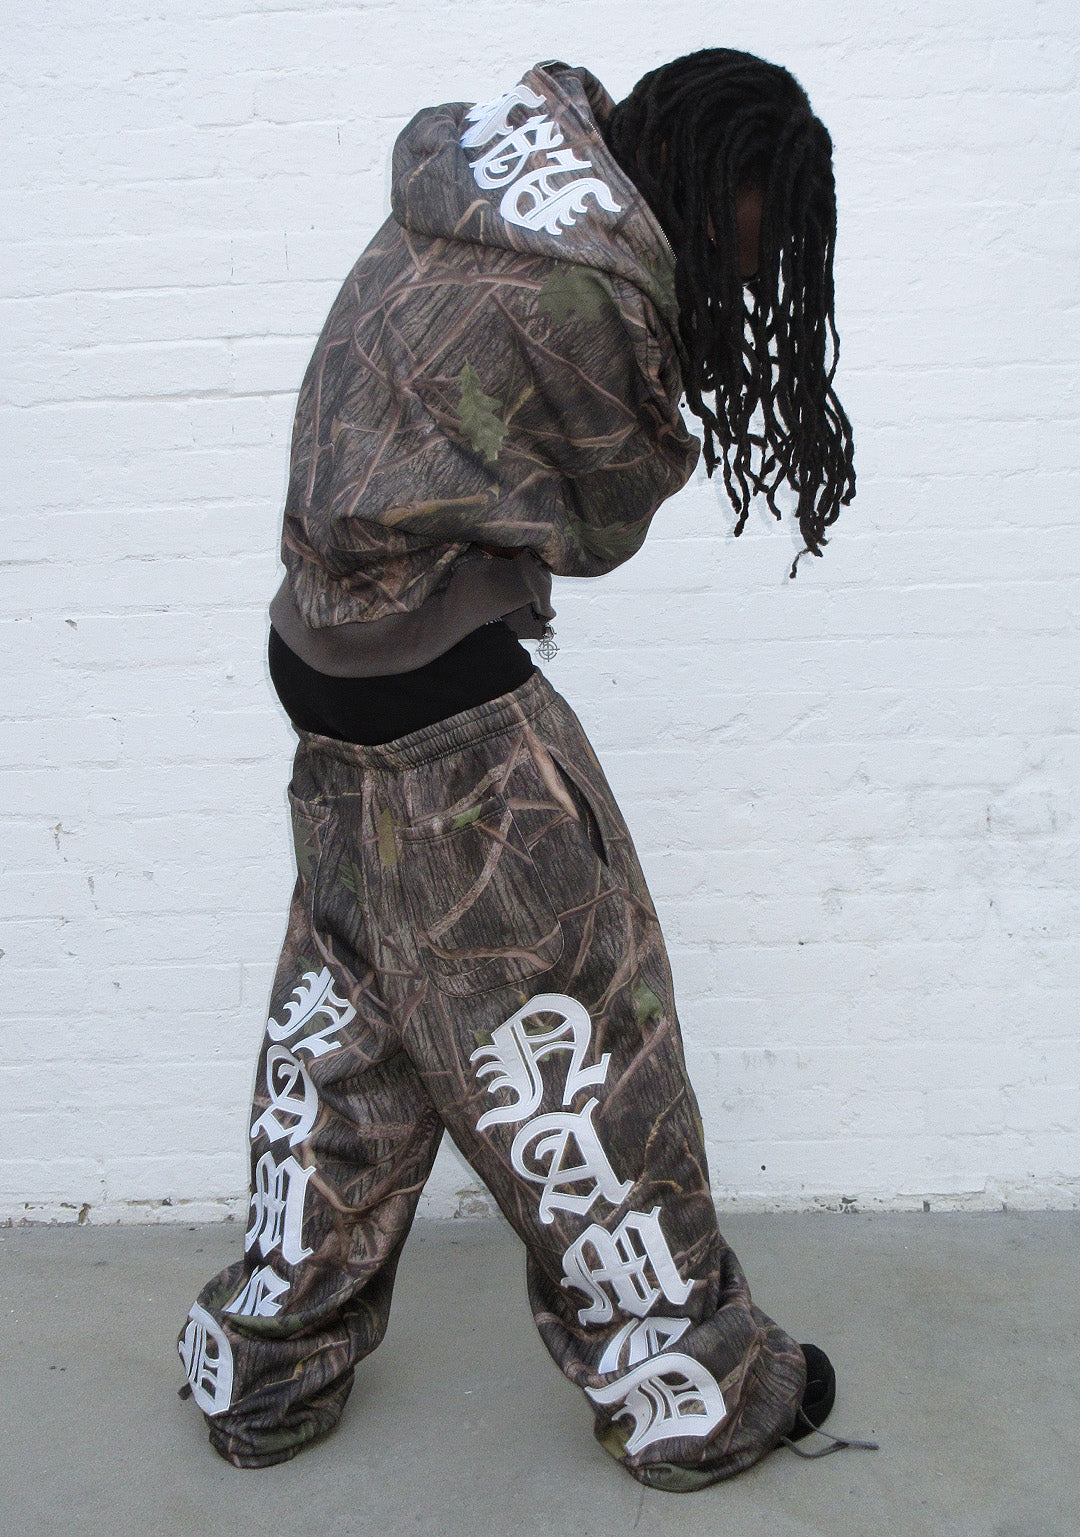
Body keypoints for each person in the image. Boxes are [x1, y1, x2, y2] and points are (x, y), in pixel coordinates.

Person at [178, 48, 866, 1489]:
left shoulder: (484, 173)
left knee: (356, 1035)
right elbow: (602, 518)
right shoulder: (595, 294)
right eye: (755, 243)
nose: (750, 277)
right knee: (586, 1041)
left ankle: (263, 1367)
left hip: (321, 653)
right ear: (713, 192)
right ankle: (695, 1390)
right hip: (437, 697)